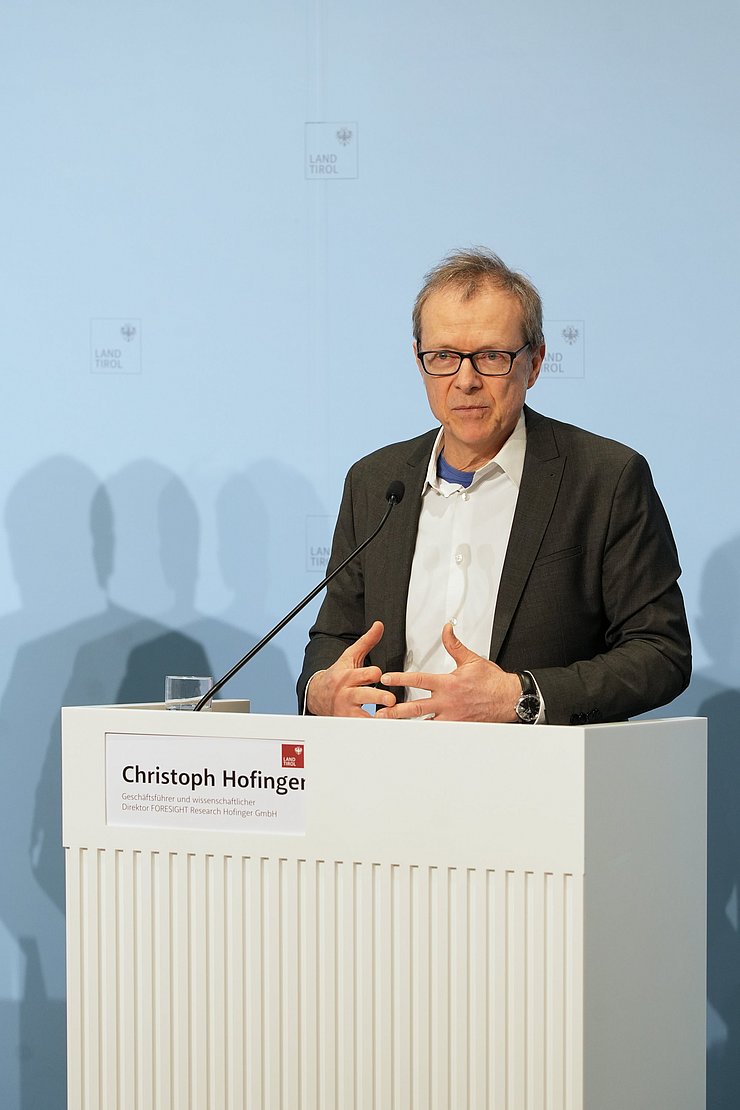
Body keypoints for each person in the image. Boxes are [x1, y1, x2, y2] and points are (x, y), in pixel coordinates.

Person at [297, 248, 691, 725]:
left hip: (541, 780)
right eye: (443, 356)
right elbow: (333, 638)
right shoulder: (376, 482)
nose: (465, 381)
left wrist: (520, 697)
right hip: (389, 776)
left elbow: (661, 652)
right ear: (419, 362)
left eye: (490, 356)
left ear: (536, 362)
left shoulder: (605, 479)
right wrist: (322, 689)